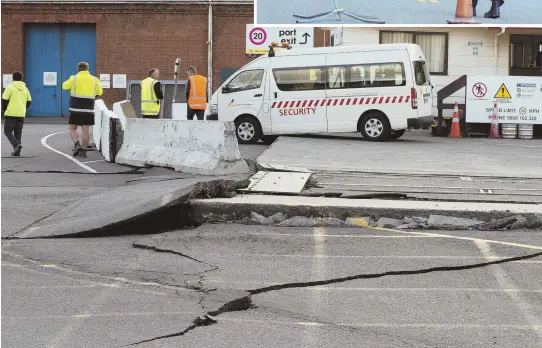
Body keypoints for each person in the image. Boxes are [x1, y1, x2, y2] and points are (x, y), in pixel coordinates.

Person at [62, 61, 103, 158]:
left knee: (72, 129)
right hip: (88, 109)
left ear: (78, 69)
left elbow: (64, 86)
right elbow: (100, 92)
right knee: (85, 131)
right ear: (87, 69)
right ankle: (84, 151)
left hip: (75, 108)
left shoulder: (74, 78)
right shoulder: (95, 79)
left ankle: (77, 144)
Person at [2, 71, 32, 156]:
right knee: (18, 133)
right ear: (21, 78)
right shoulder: (25, 88)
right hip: (21, 114)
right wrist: (23, 108)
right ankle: (17, 151)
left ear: (13, 78)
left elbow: (4, 100)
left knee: (7, 131)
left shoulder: (10, 87)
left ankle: (16, 145)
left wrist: (5, 110)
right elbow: (29, 101)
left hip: (11, 113)